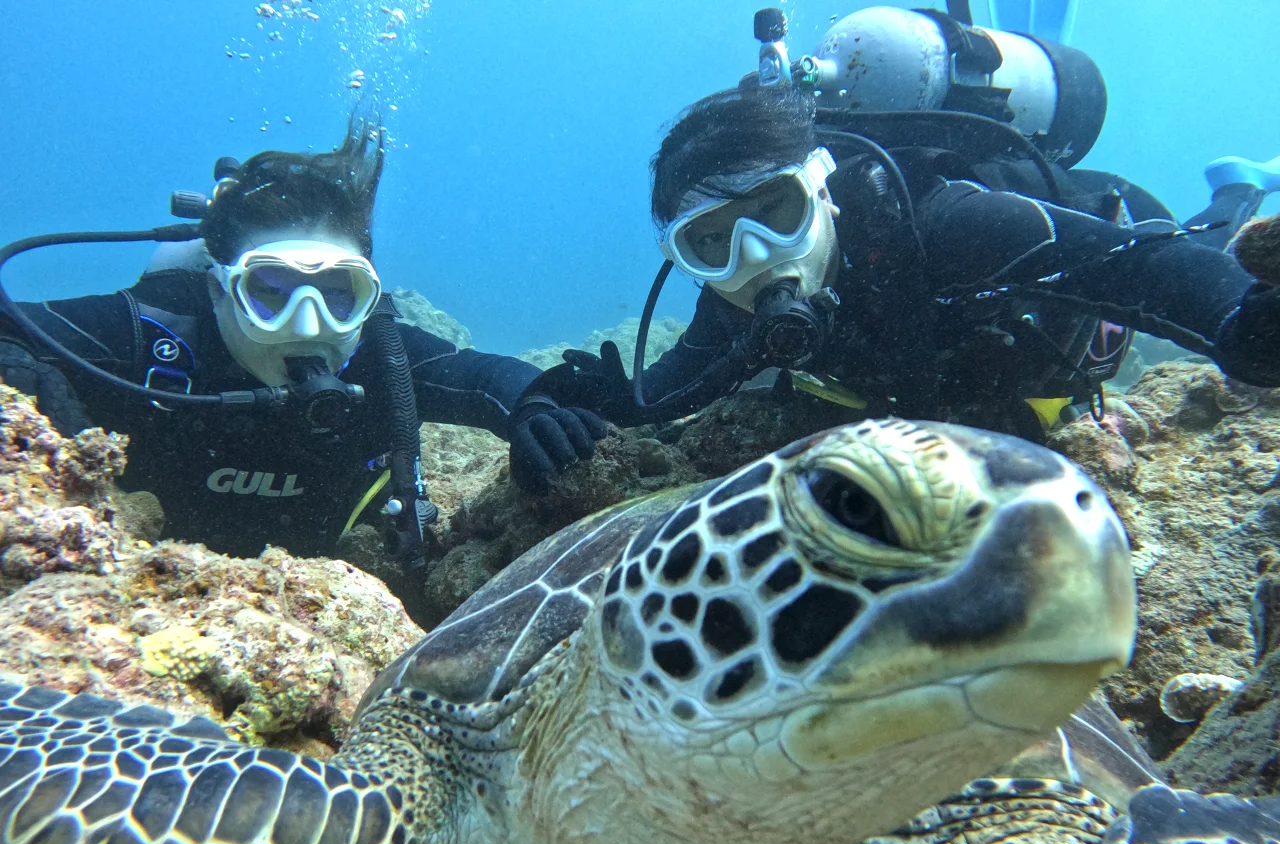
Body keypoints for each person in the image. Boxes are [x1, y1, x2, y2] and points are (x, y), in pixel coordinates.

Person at [0, 116, 604, 565]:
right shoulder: (154, 332)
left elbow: (481, 376)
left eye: (339, 294)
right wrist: (31, 385)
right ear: (216, 292)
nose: (310, 324)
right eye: (270, 291)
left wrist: (538, 407)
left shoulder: (378, 351)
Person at [538, 84, 1280, 438]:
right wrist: (570, 406)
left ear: (822, 187)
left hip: (1099, 238)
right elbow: (656, 398)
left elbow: (1142, 273)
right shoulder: (731, 307)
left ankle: (1236, 190)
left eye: (775, 212)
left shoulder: (947, 225)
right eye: (712, 244)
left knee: (1199, 255)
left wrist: (1238, 317)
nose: (756, 259)